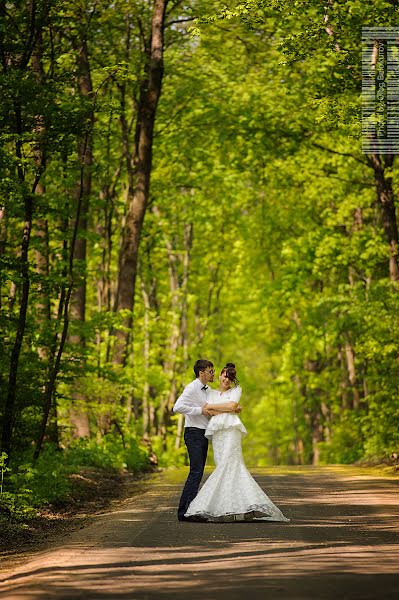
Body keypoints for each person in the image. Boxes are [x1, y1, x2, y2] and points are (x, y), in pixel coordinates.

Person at [184, 363, 290, 522]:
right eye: (225, 375)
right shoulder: (210, 392)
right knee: (223, 466)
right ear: (220, 375)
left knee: (231, 464)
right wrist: (226, 408)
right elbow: (209, 411)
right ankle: (231, 508)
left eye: (230, 378)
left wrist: (225, 408)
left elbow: (230, 405)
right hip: (218, 432)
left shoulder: (236, 390)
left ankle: (229, 506)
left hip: (231, 431)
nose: (227, 379)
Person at [173, 359, 239, 521]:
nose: (213, 374)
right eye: (210, 371)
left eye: (213, 371)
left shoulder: (208, 389)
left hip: (202, 433)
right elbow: (177, 407)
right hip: (193, 433)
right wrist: (199, 410)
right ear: (201, 373)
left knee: (198, 472)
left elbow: (214, 408)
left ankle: (190, 510)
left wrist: (233, 409)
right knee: (195, 472)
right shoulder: (192, 387)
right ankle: (185, 512)